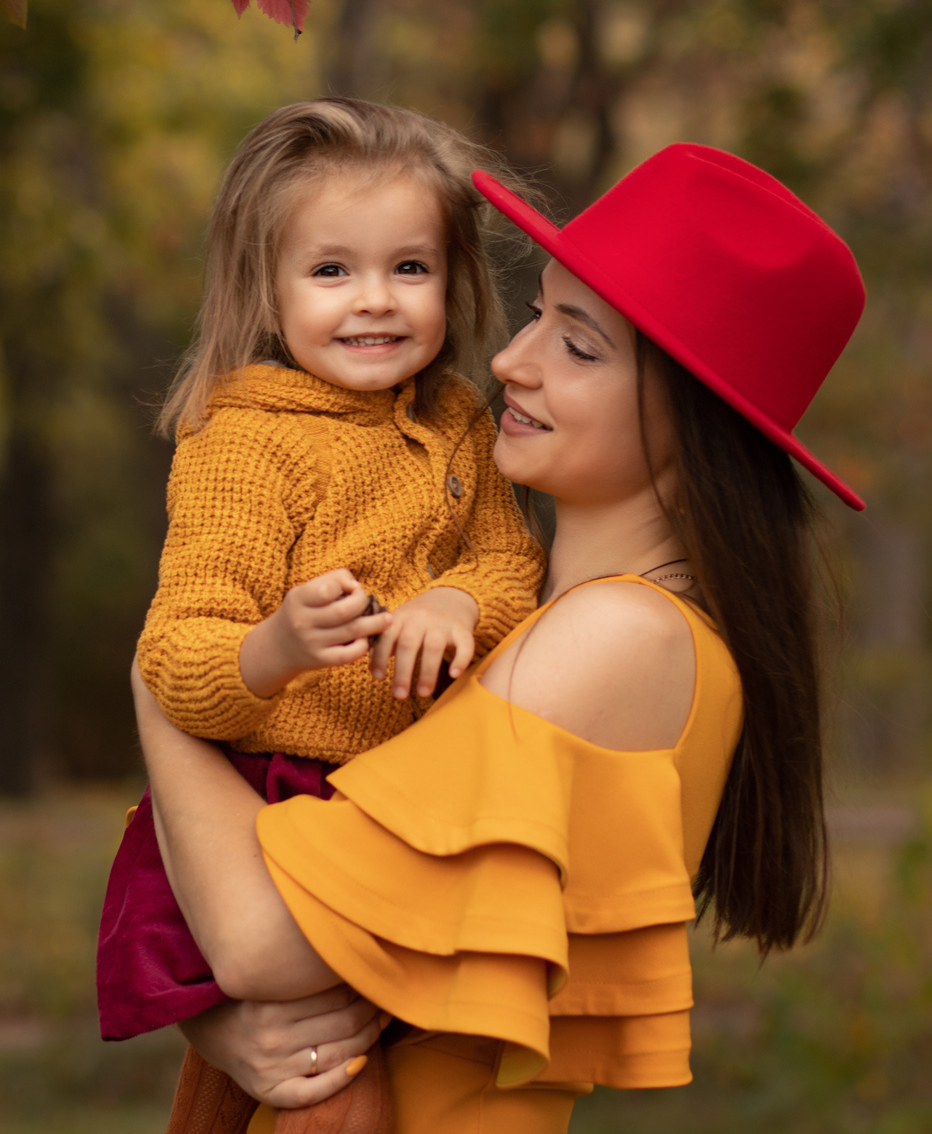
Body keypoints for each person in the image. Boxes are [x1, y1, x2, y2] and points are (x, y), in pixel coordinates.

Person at [136, 143, 867, 1132]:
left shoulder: (618, 637)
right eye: (534, 317)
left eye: (578, 344)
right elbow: (362, 963)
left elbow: (269, 942)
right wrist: (222, 1029)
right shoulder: (543, 612)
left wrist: (157, 683)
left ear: (694, 417)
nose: (511, 362)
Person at [97, 101, 552, 1129]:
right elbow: (177, 653)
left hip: (397, 801)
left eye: (409, 269)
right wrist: (274, 648)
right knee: (322, 1083)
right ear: (267, 285)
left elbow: (512, 566)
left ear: (454, 280)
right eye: (332, 271)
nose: (374, 303)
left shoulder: (457, 423)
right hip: (266, 804)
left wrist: (453, 600)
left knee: (373, 1069)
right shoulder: (242, 442)